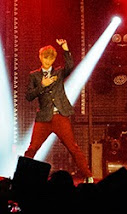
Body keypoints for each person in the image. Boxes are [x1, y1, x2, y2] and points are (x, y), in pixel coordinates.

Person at [24, 39, 93, 183]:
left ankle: (88, 176)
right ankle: (21, 177)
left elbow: (70, 66)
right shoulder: (34, 75)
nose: (47, 61)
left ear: (54, 59)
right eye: (45, 58)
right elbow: (29, 96)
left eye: (50, 59)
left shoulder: (59, 72)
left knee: (73, 148)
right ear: (40, 57)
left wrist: (65, 48)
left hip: (60, 116)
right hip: (44, 118)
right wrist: (42, 85)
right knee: (32, 148)